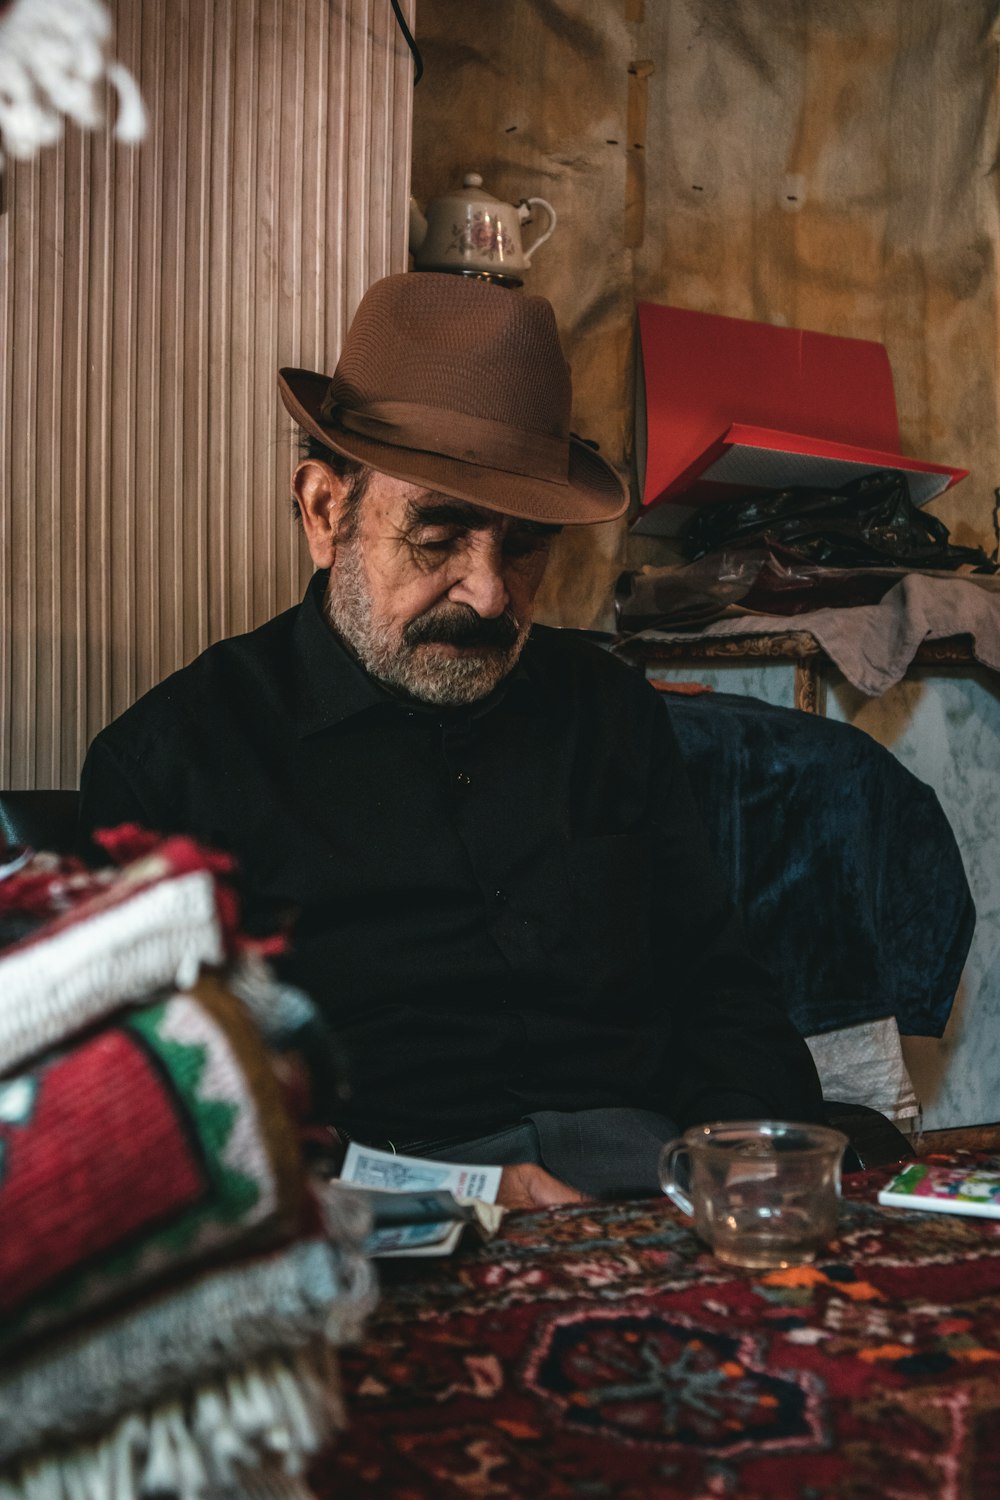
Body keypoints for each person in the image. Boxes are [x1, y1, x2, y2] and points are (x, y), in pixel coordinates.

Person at [79, 272, 825, 1206]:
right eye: (440, 533)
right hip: (375, 1202)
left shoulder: (608, 710)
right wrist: (448, 1189)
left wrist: (733, 1159)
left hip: (647, 1172)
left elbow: (719, 985)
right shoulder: (173, 764)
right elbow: (169, 1117)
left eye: (522, 545)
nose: (490, 592)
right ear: (324, 513)